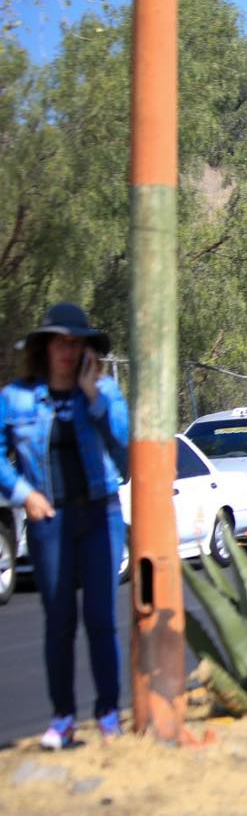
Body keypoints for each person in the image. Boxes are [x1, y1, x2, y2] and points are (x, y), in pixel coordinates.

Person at [0, 303, 129, 749]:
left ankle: (109, 714)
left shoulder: (104, 393)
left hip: (101, 514)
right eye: (60, 342)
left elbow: (127, 453)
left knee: (100, 618)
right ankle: (62, 719)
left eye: (76, 344)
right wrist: (23, 494)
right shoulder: (15, 398)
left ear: (86, 351)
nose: (67, 351)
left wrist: (94, 398)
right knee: (58, 620)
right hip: (48, 519)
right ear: (44, 347)